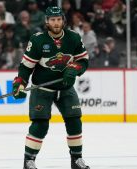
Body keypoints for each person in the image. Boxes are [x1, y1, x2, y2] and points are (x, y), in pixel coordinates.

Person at [12, 6, 90, 169]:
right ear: (47, 21)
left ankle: (76, 160)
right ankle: (29, 161)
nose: (56, 23)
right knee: (40, 124)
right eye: (52, 20)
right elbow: (26, 66)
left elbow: (83, 61)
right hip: (42, 89)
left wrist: (74, 69)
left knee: (74, 120)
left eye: (59, 19)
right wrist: (20, 83)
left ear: (63, 20)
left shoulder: (73, 38)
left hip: (65, 88)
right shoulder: (38, 40)